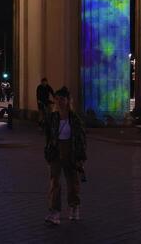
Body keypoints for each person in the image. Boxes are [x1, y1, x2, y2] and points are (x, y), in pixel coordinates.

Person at [42, 87, 85, 226]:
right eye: (57, 99)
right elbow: (48, 135)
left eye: (62, 99)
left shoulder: (75, 119)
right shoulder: (53, 117)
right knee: (55, 181)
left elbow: (81, 138)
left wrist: (81, 156)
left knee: (72, 181)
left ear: (68, 101)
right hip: (56, 150)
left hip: (71, 151)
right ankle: (55, 212)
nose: (59, 102)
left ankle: (74, 207)